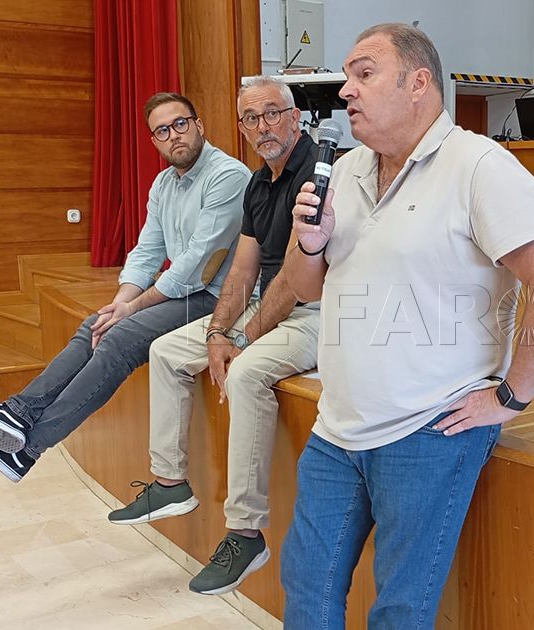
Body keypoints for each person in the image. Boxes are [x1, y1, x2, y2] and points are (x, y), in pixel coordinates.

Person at [279, 23, 534, 628]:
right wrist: (310, 242)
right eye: (347, 76)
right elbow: (304, 285)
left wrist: (511, 396)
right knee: (306, 589)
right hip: (336, 429)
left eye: (364, 74)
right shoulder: (344, 169)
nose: (346, 90)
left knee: (401, 610)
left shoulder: (479, 166)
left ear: (418, 83)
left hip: (428, 432)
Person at [0, 92, 251, 483]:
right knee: (96, 325)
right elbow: (146, 251)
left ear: (199, 125)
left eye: (181, 124)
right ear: (154, 141)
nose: (174, 135)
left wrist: (132, 310)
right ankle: (17, 414)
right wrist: (119, 302)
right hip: (185, 291)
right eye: (162, 131)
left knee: (121, 338)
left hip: (219, 297)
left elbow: (199, 267)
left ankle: (28, 447)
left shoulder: (228, 176)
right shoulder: (164, 184)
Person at [104, 77, 321, 596]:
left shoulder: (318, 172)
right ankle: (170, 482)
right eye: (251, 118)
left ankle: (245, 533)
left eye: (273, 113)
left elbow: (294, 279)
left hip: (317, 312)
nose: (262, 126)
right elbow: (244, 268)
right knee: (166, 350)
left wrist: (240, 340)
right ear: (240, 127)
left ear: (295, 117)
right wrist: (221, 328)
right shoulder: (257, 182)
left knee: (244, 374)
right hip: (260, 306)